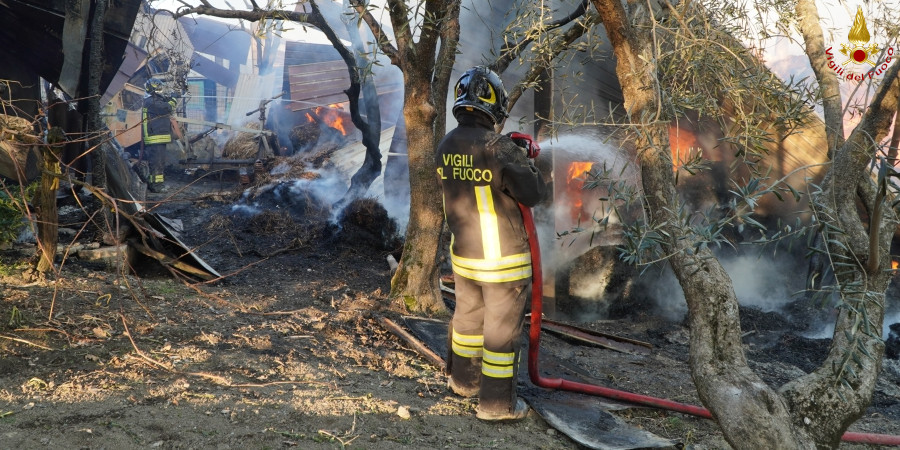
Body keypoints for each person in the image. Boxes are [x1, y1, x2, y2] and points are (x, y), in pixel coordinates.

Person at [437, 66, 546, 422]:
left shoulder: (446, 144)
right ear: (494, 105)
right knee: (500, 331)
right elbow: (532, 194)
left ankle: (463, 382)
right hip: (503, 263)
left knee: (467, 318)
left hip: (465, 258)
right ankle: (496, 405)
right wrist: (528, 162)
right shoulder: (497, 147)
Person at [141, 77, 180, 193]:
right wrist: (173, 98)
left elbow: (163, 104)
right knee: (157, 163)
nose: (161, 89)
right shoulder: (151, 102)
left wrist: (168, 98)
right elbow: (167, 108)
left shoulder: (153, 101)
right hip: (155, 137)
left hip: (156, 137)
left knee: (158, 163)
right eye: (159, 87)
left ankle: (154, 184)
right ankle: (157, 186)